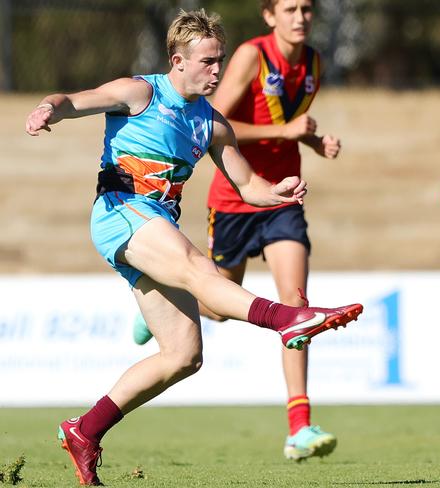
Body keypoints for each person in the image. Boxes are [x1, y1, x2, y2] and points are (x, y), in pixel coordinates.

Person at [25, 9, 362, 486]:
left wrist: (278, 191)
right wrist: (48, 109)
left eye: (220, 60)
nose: (217, 71)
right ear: (177, 61)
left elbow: (248, 186)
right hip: (121, 211)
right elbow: (76, 100)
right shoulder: (141, 93)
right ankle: (287, 320)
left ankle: (85, 429)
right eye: (208, 62)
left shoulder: (212, 124)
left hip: (155, 224)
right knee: (195, 267)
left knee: (184, 355)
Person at [133, 0, 343, 462]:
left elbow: (284, 123)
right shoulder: (251, 55)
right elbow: (216, 120)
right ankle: (166, 299)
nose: (301, 16)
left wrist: (311, 139)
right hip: (233, 201)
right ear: (270, 16)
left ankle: (299, 426)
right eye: (290, 8)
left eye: (307, 8)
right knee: (222, 305)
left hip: (280, 198)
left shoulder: (313, 62)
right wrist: (290, 131)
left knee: (296, 303)